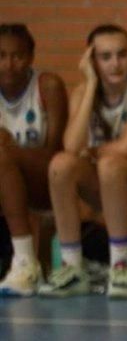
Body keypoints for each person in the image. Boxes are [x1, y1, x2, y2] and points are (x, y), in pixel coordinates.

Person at [39, 24, 127, 299]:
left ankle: (122, 266)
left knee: (111, 164)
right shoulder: (82, 92)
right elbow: (71, 148)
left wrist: (94, 153)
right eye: (105, 57)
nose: (115, 64)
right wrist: (90, 87)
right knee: (61, 165)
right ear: (91, 60)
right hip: (107, 185)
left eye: (122, 55)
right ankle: (72, 267)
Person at [0, 24, 68, 296]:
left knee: (2, 156)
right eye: (1, 55)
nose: (8, 64)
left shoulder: (47, 86)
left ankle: (26, 262)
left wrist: (13, 151)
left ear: (31, 57)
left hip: (46, 182)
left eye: (17, 56)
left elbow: (55, 153)